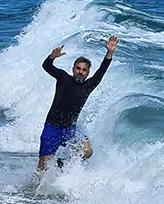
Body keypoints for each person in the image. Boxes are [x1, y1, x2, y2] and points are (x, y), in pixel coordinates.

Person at [37, 36, 118, 172]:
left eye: (84, 70)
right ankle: (34, 188)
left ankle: (63, 163)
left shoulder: (89, 85)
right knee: (43, 165)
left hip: (71, 129)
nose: (80, 72)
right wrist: (52, 57)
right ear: (73, 68)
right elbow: (46, 66)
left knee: (87, 151)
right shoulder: (63, 78)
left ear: (88, 72)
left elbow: (102, 70)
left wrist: (110, 53)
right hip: (53, 127)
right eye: (78, 68)